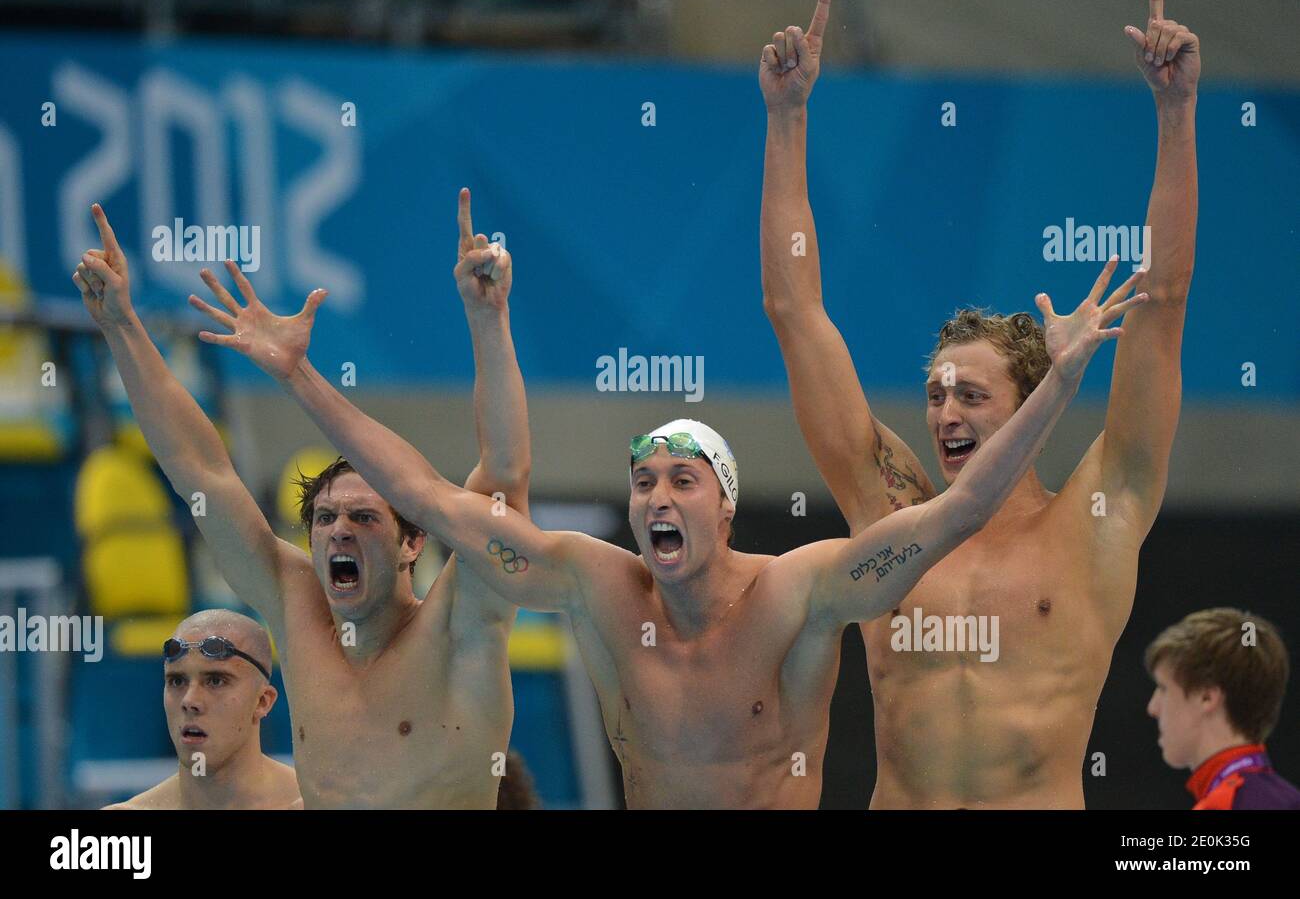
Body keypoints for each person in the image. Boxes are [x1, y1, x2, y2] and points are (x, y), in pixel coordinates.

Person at [192, 241, 1143, 806]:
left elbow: (964, 507)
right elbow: (441, 499)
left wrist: (1061, 381)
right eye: (641, 480)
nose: (654, 499)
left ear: (723, 504)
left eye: (679, 480)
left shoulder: (802, 591)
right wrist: (298, 376)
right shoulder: (596, 584)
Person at [757, 0, 1197, 807]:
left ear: (1035, 399)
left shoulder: (1100, 517)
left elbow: (1163, 305)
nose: (944, 413)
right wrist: (787, 119)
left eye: (971, 395)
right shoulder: (890, 516)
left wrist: (1175, 117)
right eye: (935, 394)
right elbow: (795, 310)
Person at [73, 191, 529, 808]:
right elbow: (201, 472)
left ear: (413, 541)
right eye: (324, 518)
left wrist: (488, 320)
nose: (339, 531)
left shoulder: (462, 623)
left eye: (365, 517)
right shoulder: (298, 611)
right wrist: (123, 326)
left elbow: (503, 475)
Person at [105, 609, 301, 809]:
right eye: (177, 681)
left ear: (262, 702)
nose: (189, 701)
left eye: (215, 681)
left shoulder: (318, 804)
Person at [1145, 608, 1300, 810]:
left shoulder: (1224, 804)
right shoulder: (1285, 798)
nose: (1152, 708)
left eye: (1163, 688)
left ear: (1207, 697)